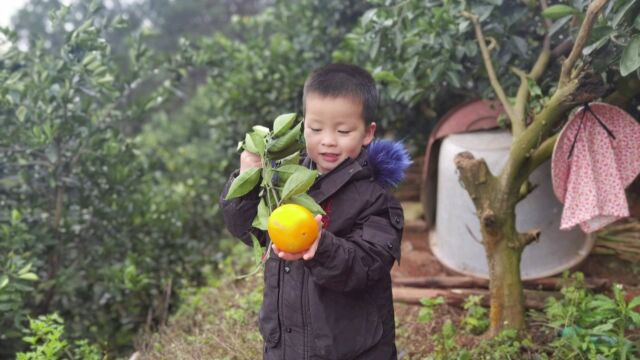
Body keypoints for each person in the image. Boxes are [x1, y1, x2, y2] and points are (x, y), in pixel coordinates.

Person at [220, 63, 410, 359]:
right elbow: (249, 230)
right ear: (302, 125)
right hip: (286, 346)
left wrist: (320, 246)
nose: (328, 140)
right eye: (316, 128)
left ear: (367, 133)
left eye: (343, 130)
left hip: (352, 351)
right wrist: (247, 184)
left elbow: (367, 266)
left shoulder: (376, 199)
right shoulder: (285, 182)